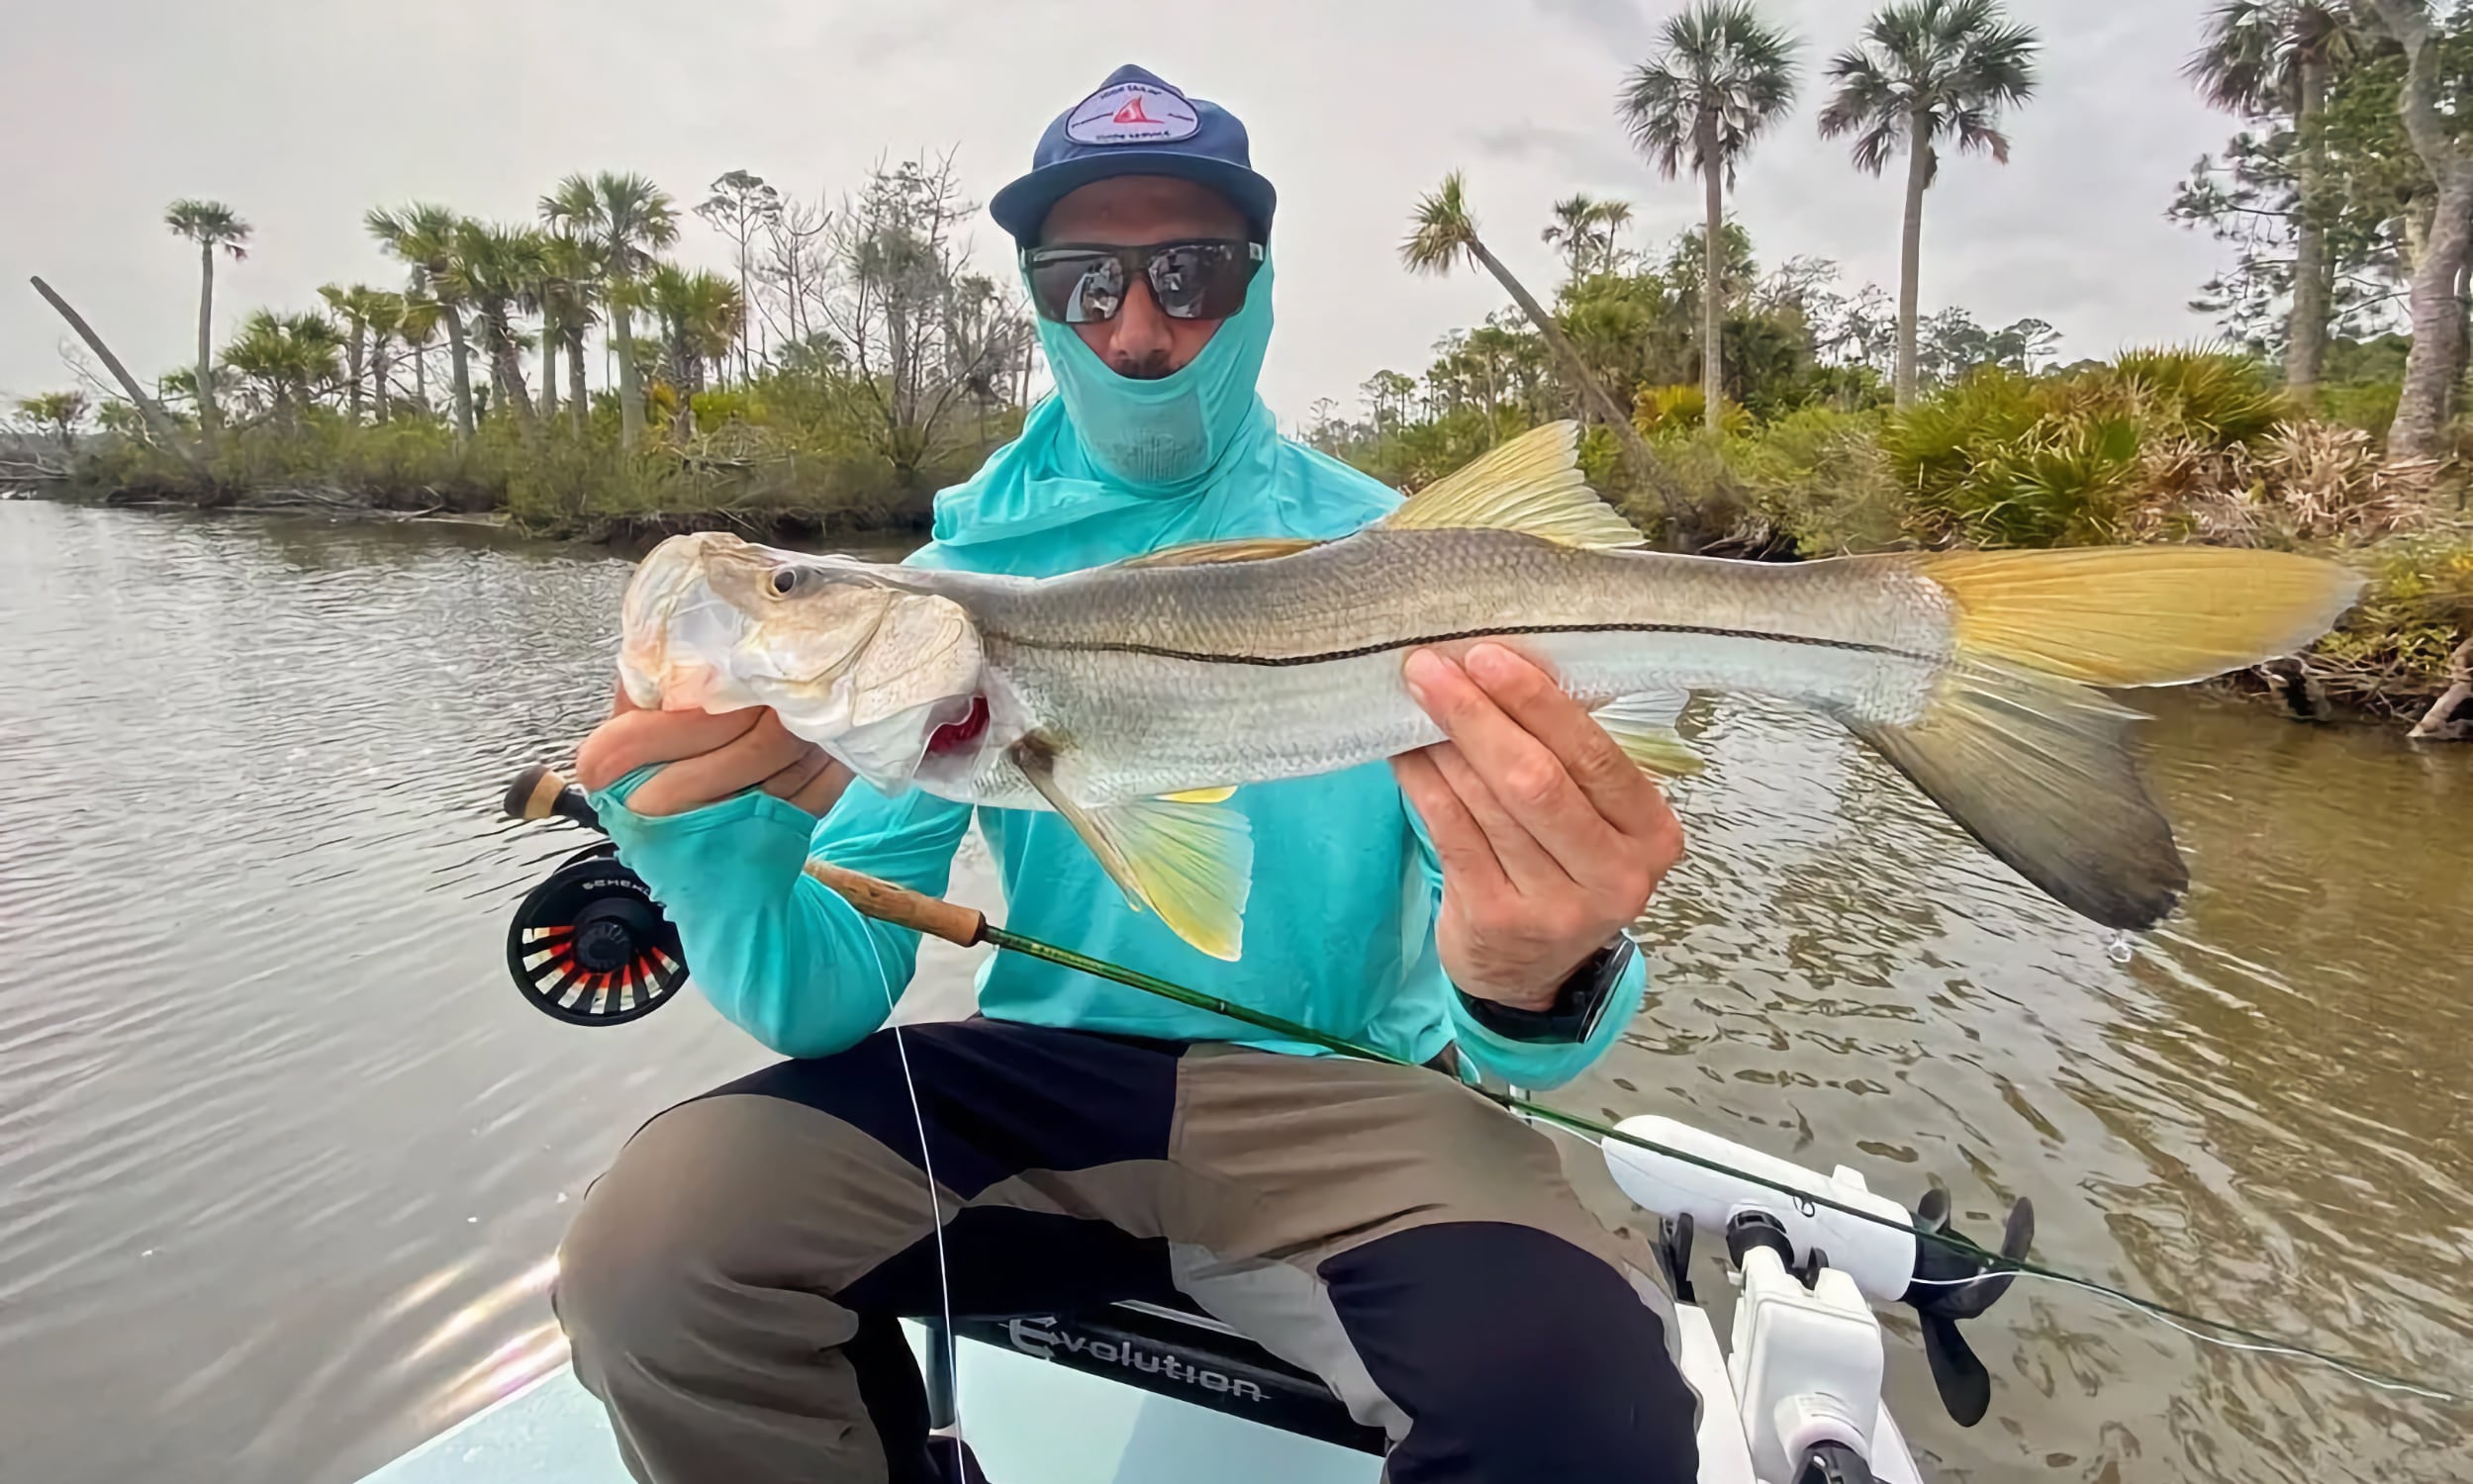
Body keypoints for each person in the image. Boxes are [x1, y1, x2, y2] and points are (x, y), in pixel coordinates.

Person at [553, 62, 1700, 1484]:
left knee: (1591, 1414)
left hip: (1350, 1100)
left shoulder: (1410, 565)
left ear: (1260, 284)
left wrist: (1536, 975)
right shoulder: (943, 601)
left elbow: (1558, 1034)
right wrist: (711, 852)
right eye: (1089, 282)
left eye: (1190, 270)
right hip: (1039, 1103)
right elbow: (824, 992)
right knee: (653, 1259)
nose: (1141, 325)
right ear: (1038, 300)